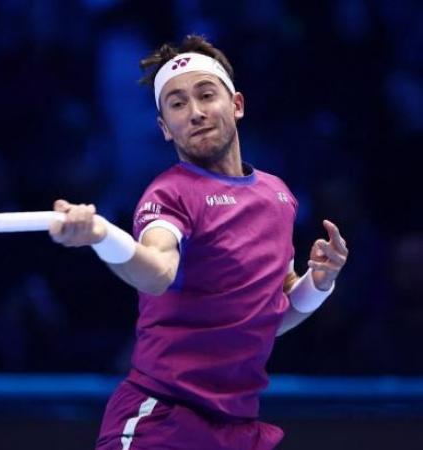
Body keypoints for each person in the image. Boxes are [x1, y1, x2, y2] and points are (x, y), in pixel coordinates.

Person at [49, 35, 349, 450]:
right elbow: (156, 271)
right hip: (162, 422)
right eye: (176, 104)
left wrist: (319, 283)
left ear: (237, 105)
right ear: (164, 129)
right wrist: (100, 235)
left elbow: (270, 319)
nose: (194, 113)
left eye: (206, 95)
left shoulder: (278, 196)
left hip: (238, 428)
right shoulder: (169, 194)